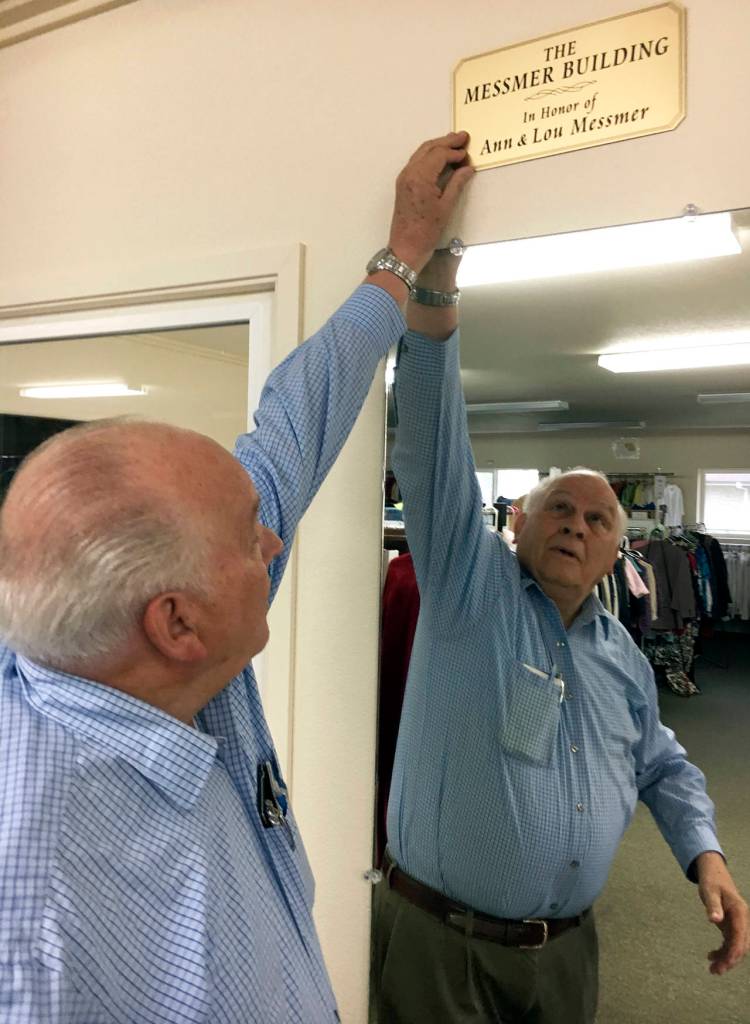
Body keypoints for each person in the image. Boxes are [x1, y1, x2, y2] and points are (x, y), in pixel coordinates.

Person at [0, 133, 474, 1024]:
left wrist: (402, 254)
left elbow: (290, 432)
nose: (273, 535)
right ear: (176, 624)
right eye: (247, 532)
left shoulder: (141, 653)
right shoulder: (37, 929)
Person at [372, 243, 749, 1023]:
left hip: (568, 953)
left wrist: (704, 852)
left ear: (621, 547)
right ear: (518, 522)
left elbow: (661, 763)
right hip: (446, 949)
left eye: (597, 519)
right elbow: (433, 445)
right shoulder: (465, 588)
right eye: (560, 511)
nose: (577, 527)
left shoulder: (621, 656)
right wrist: (435, 287)